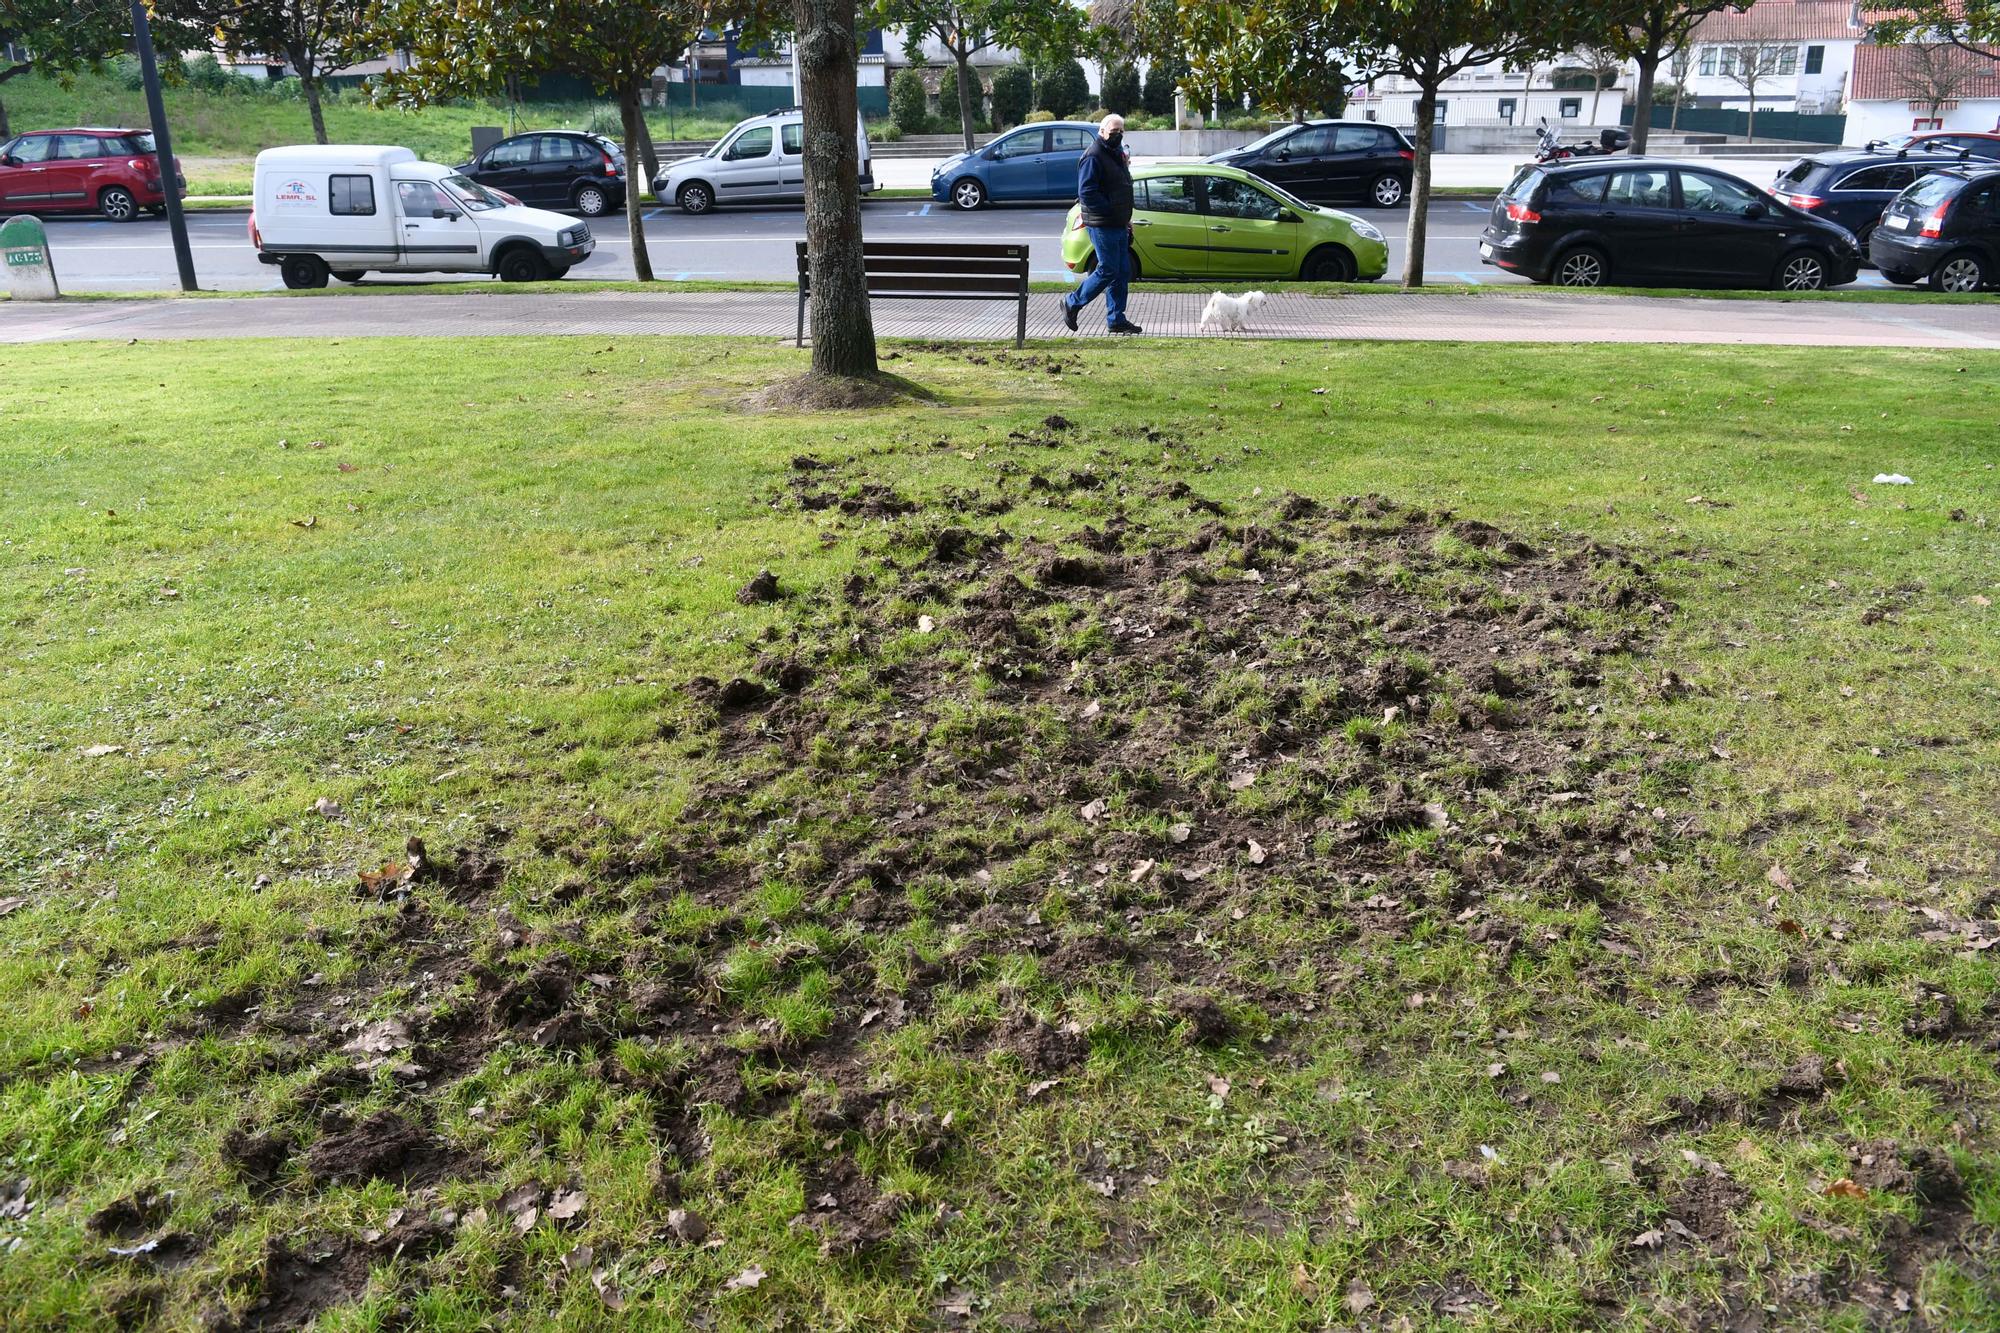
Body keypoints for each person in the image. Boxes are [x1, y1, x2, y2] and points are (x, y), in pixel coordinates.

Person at [1061, 114, 1142, 335]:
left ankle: (1116, 319)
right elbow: (1087, 193)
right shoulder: (1093, 156)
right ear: (1102, 131)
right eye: (1114, 132)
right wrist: (1113, 210)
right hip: (1102, 223)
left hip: (1118, 222)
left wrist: (1126, 218)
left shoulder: (1116, 154)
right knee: (1108, 269)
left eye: (1121, 132)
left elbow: (1122, 187)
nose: (1118, 135)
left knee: (1122, 271)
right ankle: (1072, 302)